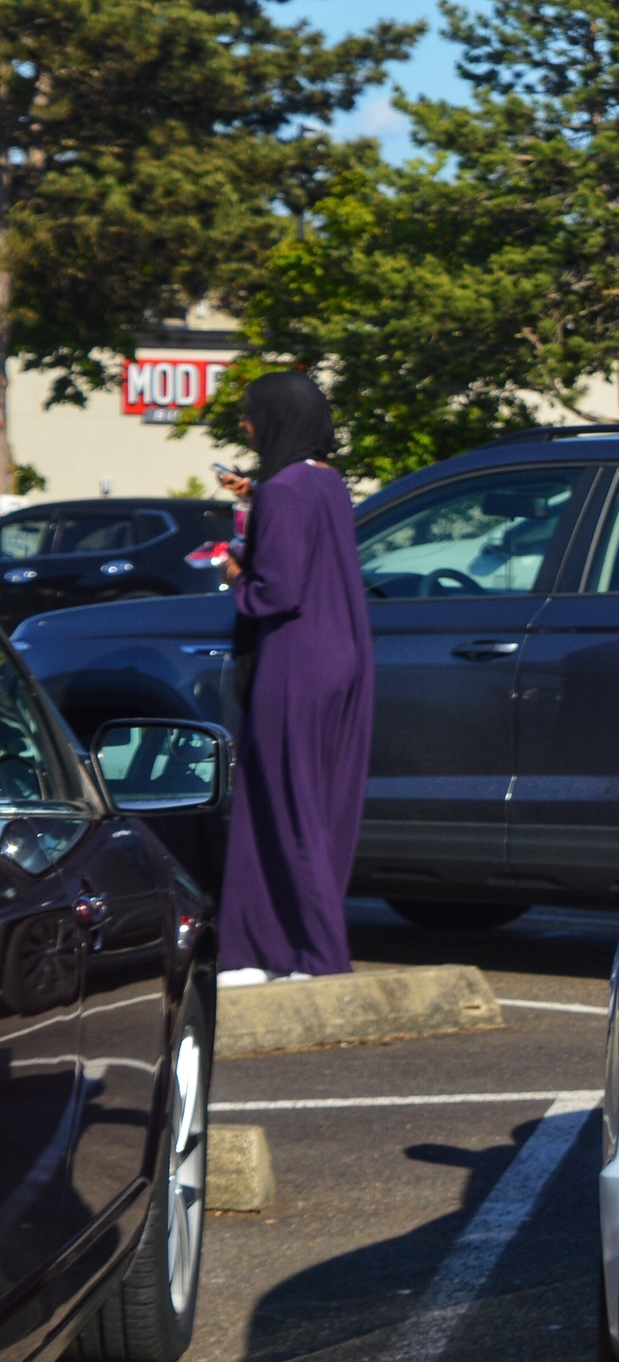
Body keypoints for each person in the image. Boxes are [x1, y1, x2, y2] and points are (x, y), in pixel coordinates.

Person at [209, 372, 374, 987]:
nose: (247, 427)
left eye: (253, 415)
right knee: (318, 807)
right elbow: (306, 547)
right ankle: (279, 951)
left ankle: (306, 953)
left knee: (281, 803)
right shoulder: (327, 482)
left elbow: (275, 589)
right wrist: (256, 499)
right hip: (341, 655)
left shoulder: (284, 489)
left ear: (276, 418)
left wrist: (233, 571)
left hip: (294, 661)